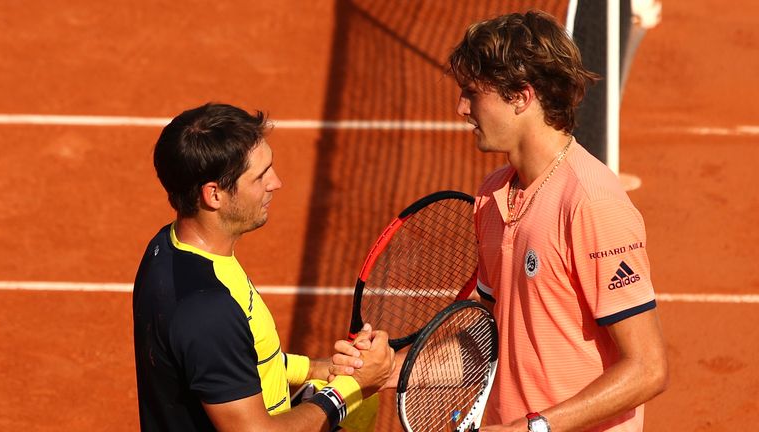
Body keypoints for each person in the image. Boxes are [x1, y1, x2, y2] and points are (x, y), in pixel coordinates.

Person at [446, 11, 668, 432]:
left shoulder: (591, 203)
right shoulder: (492, 196)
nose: (461, 108)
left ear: (520, 97)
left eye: (472, 93)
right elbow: (488, 342)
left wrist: (536, 427)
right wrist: (391, 369)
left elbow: (648, 367)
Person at [132, 102, 395, 432]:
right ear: (214, 195)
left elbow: (247, 359)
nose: (276, 183)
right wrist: (350, 389)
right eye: (260, 176)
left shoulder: (169, 246)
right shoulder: (207, 311)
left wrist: (321, 369)